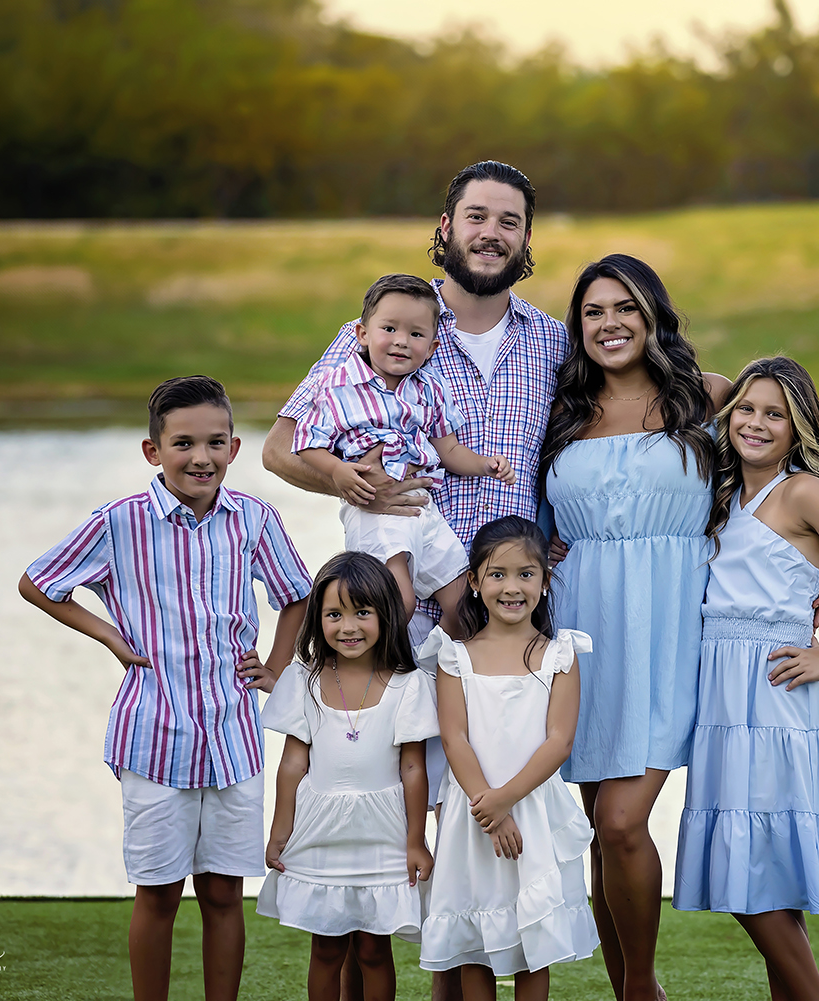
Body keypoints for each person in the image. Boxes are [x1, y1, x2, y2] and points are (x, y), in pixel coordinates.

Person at [262, 161, 567, 1001]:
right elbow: (282, 448)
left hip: (503, 607)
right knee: (405, 799)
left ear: (526, 239)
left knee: (486, 807)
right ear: (447, 225)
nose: (491, 232)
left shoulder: (551, 340)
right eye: (476, 215)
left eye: (509, 220)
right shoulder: (379, 323)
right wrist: (347, 482)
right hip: (399, 606)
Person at [17, 375, 313, 1001]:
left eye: (215, 443)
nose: (200, 457)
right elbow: (40, 582)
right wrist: (112, 638)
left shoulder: (254, 519)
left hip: (232, 739)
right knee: (157, 893)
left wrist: (279, 668)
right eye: (183, 444)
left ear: (234, 449)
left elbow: (297, 595)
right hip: (154, 736)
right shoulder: (119, 522)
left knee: (225, 892)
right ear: (154, 451)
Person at [672, 356, 819, 1001]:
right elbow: (696, 383)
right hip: (722, 697)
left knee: (750, 875)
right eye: (745, 409)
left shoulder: (803, 493)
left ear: (797, 427)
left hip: (775, 696)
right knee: (767, 871)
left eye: (774, 414)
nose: (754, 423)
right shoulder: (723, 491)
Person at [538, 254, 727, 1001]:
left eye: (625, 308)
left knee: (621, 822)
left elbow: (786, 473)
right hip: (582, 634)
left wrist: (818, 563)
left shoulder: (708, 399)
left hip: (671, 631)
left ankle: (644, 988)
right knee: (597, 830)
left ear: (652, 317)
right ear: (577, 327)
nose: (608, 323)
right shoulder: (561, 416)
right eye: (592, 311)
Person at [417, 517, 600, 1001]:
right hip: (472, 815)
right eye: (496, 574)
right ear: (474, 582)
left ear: (544, 580)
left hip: (532, 810)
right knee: (477, 936)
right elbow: (454, 738)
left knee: (531, 937)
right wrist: (489, 808)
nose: (511, 587)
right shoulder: (455, 656)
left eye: (525, 574)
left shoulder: (559, 653)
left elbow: (559, 740)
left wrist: (507, 802)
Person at [258, 552, 440, 1001]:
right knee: (325, 949)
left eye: (363, 612)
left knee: (375, 950)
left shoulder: (408, 684)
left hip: (384, 835)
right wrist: (281, 828)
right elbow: (293, 764)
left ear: (385, 615)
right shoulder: (304, 679)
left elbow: (414, 768)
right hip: (321, 834)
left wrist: (416, 840)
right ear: (317, 619)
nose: (349, 627)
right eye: (334, 614)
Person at [289, 273, 516, 625]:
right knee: (399, 602)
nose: (401, 342)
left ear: (432, 347)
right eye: (389, 329)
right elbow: (305, 443)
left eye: (416, 334)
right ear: (362, 334)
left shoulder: (429, 390)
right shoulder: (337, 386)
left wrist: (486, 465)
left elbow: (449, 450)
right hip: (375, 512)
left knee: (465, 604)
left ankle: (438, 665)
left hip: (423, 511)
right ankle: (393, 675)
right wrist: (338, 472)